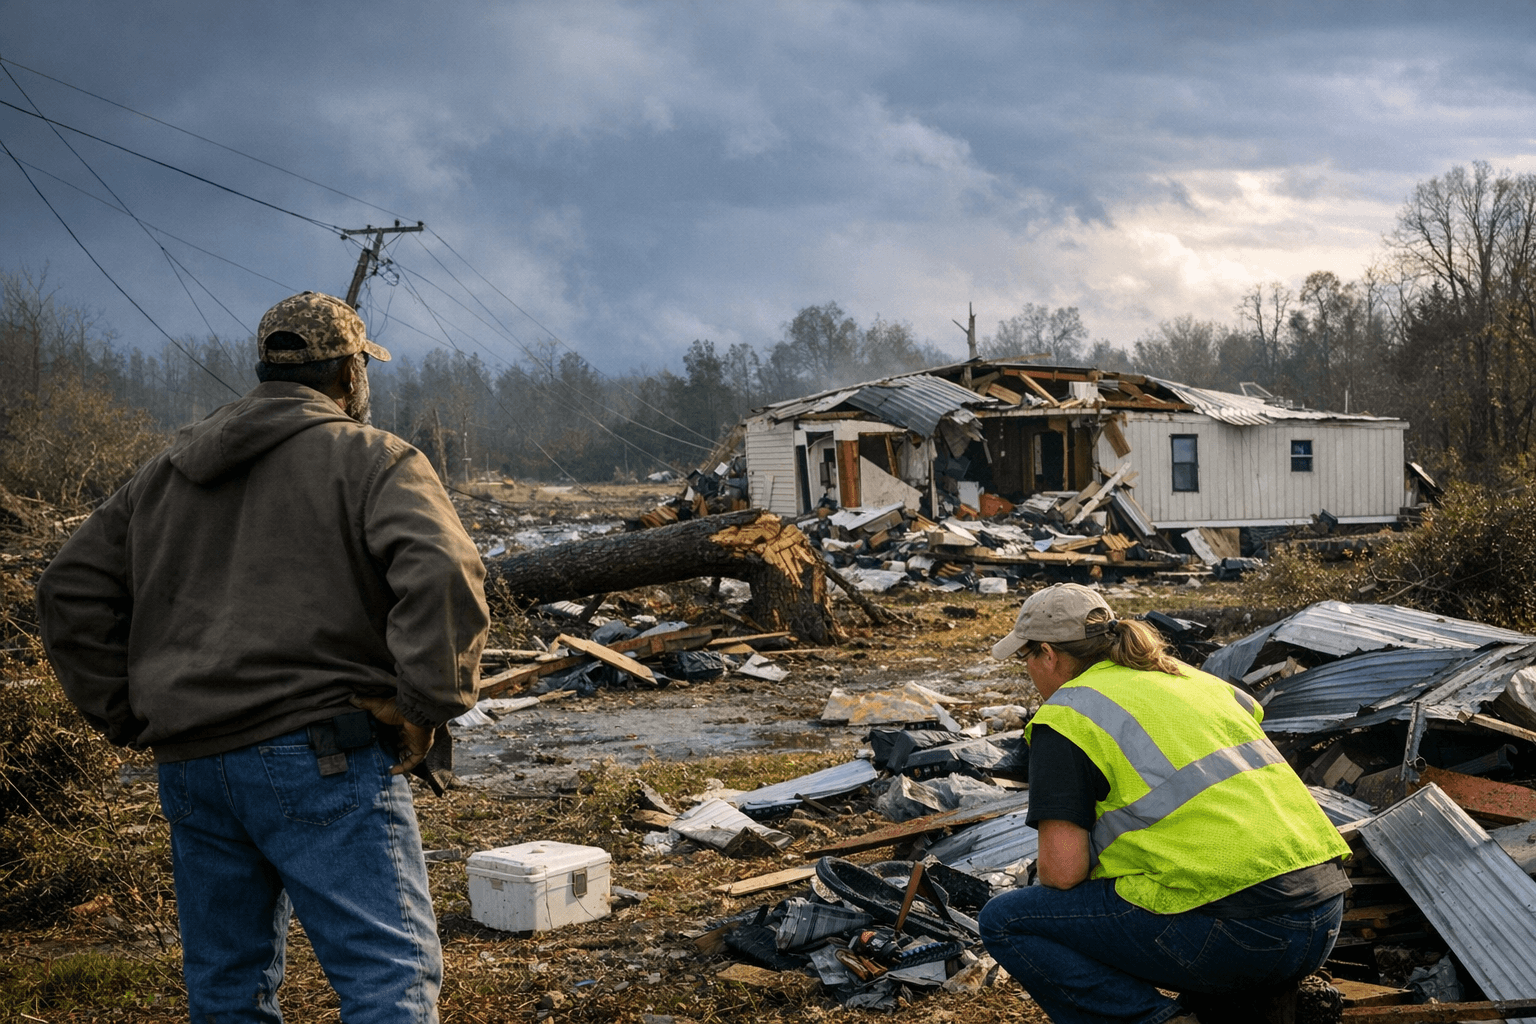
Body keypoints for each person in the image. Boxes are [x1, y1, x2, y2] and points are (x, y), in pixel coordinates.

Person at [36, 291, 489, 1024]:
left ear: (265, 370)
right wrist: (425, 703)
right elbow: (443, 572)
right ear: (350, 374)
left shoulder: (168, 471)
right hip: (321, 752)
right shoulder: (373, 457)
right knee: (388, 977)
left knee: (227, 988)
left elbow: (67, 589)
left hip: (193, 762)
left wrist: (131, 712)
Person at [977, 584, 1349, 1024]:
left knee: (1006, 920)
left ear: (1048, 654)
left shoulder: (1066, 717)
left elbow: (1062, 873)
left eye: (1025, 658)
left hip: (1240, 936)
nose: (1028, 671)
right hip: (1322, 917)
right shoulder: (1192, 679)